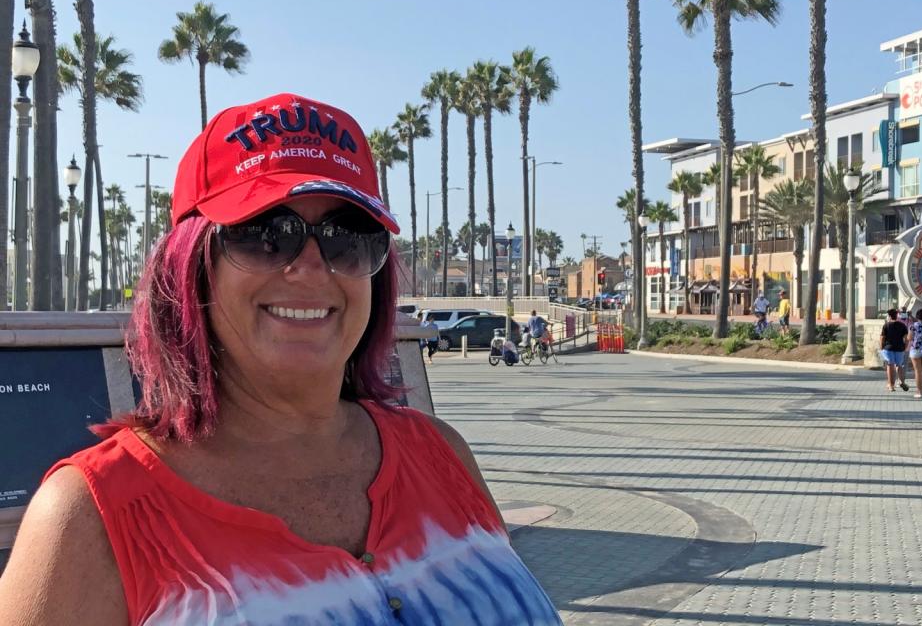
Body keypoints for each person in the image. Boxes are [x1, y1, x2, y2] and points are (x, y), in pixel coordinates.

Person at [0, 94, 561, 625]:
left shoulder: (443, 456)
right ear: (191, 267)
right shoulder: (90, 517)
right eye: (265, 234)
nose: (312, 268)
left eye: (347, 237)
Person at [879, 308, 909, 392]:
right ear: (897, 315)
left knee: (890, 366)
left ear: (889, 316)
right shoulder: (902, 325)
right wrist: (905, 347)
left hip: (888, 348)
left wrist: (881, 347)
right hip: (899, 348)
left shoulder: (886, 325)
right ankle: (902, 381)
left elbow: (882, 337)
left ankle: (891, 385)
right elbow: (906, 338)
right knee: (899, 366)